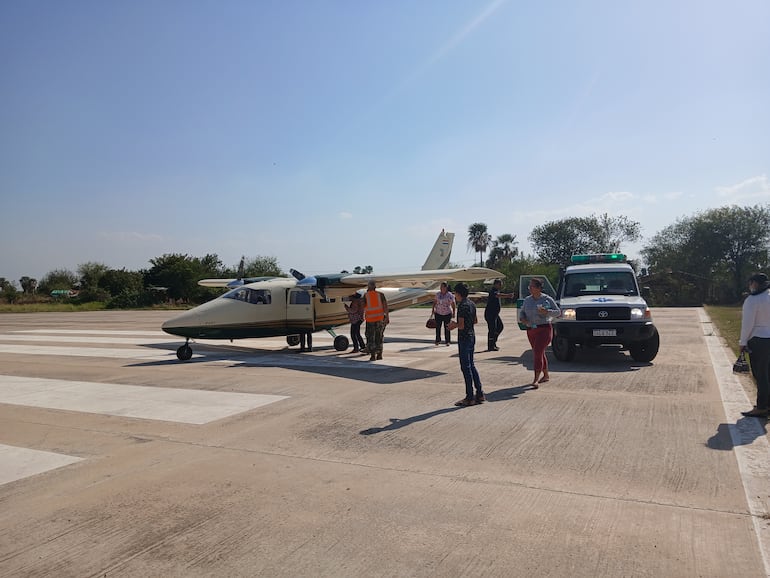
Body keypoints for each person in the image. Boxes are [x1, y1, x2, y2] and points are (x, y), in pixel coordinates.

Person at [518, 277, 560, 388]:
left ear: (538, 288)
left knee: (537, 352)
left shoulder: (547, 299)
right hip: (531, 329)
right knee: (539, 353)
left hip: (544, 329)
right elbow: (522, 312)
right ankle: (546, 375)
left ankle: (535, 379)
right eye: (529, 286)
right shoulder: (527, 300)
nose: (529, 288)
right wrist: (523, 319)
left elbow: (558, 312)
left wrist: (547, 312)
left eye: (531, 286)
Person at [449, 282, 485, 406]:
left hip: (464, 338)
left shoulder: (462, 306)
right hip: (471, 336)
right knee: (472, 365)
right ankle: (479, 393)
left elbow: (461, 325)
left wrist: (453, 325)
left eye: (455, 293)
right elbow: (475, 321)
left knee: (466, 368)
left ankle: (469, 397)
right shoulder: (472, 304)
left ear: (458, 294)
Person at [739, 272, 770, 417]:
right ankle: (766, 403)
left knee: (761, 375)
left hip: (758, 340)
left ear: (755, 284)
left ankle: (762, 406)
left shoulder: (752, 300)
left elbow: (747, 324)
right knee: (767, 373)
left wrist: (742, 342)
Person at [484, 279, 513, 351]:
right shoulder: (493, 291)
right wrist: (508, 295)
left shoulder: (497, 291)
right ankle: (490, 346)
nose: (501, 286)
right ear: (496, 284)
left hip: (495, 314)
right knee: (492, 329)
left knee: (500, 327)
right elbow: (498, 295)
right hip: (490, 314)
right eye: (500, 284)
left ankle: (493, 342)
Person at [364, 280, 389, 361]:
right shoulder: (381, 295)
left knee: (371, 338)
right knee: (379, 336)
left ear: (369, 287)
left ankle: (372, 355)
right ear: (375, 287)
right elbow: (385, 307)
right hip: (379, 319)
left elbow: (363, 306)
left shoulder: (366, 295)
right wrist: (387, 317)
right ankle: (379, 354)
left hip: (370, 320)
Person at [432, 282, 456, 346]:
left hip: (447, 313)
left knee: (447, 328)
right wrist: (433, 310)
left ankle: (447, 341)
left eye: (442, 287)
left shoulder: (450, 295)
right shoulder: (437, 294)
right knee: (438, 327)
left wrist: (454, 312)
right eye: (440, 287)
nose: (441, 288)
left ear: (446, 288)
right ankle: (437, 340)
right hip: (438, 313)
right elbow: (435, 302)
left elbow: (453, 304)